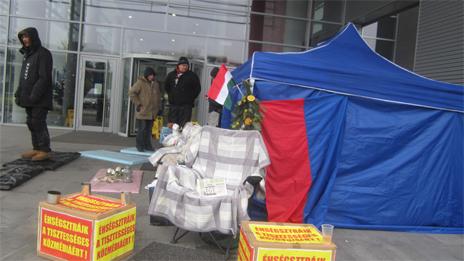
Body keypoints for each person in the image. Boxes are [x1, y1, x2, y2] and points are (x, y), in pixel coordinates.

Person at [15, 27, 53, 161]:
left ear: (33, 37)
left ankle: (45, 150)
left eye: (26, 37)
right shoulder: (28, 55)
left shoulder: (44, 54)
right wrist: (19, 93)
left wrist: (34, 96)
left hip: (40, 99)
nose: (24, 39)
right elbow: (23, 78)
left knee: (38, 122)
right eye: (23, 37)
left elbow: (44, 78)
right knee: (31, 122)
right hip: (29, 99)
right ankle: (36, 148)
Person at [129, 67, 161, 152]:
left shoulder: (156, 84)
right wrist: (138, 103)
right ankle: (139, 145)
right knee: (142, 129)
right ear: (146, 75)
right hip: (143, 111)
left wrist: (158, 108)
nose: (152, 77)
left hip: (152, 112)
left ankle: (147, 145)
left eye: (153, 75)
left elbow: (158, 97)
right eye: (150, 75)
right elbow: (132, 93)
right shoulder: (140, 83)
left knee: (148, 130)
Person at [165, 57, 201, 127]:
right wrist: (171, 96)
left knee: (184, 126)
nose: (185, 67)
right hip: (174, 106)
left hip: (186, 107)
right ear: (178, 65)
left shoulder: (192, 76)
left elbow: (197, 89)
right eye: (183, 65)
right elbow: (167, 87)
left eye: (186, 66)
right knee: (173, 126)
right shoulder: (171, 75)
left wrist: (190, 98)